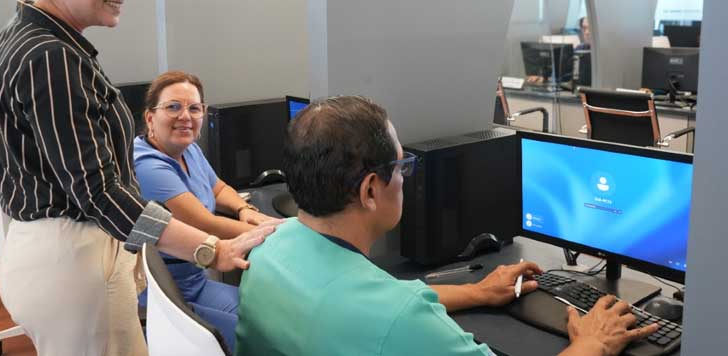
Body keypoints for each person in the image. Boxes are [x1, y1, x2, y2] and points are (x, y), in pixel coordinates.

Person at [0, 0, 279, 356]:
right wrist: (210, 250)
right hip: (72, 262)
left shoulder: (29, 37)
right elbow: (101, 193)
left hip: (49, 253)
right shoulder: (51, 57)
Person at [235, 96, 658, 356]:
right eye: (401, 167)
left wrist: (477, 291)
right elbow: (386, 309)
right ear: (369, 190)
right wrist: (592, 344)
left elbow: (360, 295)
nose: (405, 178)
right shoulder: (402, 321)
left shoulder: (269, 247)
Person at [134, 70, 275, 350]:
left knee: (268, 319)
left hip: (196, 281)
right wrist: (274, 231)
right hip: (167, 294)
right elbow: (205, 224)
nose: (185, 116)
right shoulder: (147, 165)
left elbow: (218, 188)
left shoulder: (188, 150)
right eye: (173, 106)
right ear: (150, 117)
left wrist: (244, 209)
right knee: (260, 336)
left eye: (194, 108)